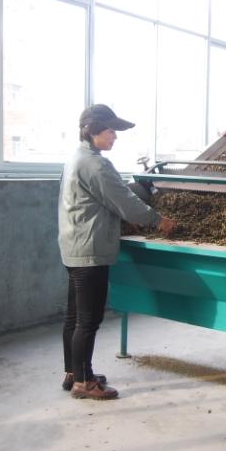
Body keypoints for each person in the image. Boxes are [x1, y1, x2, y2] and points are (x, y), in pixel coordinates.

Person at [57, 104, 176, 400]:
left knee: (74, 316)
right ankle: (85, 383)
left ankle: (73, 373)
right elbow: (124, 201)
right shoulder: (96, 164)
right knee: (88, 320)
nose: (115, 137)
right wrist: (158, 220)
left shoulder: (76, 158)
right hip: (91, 250)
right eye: (111, 131)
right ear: (93, 131)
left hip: (74, 245)